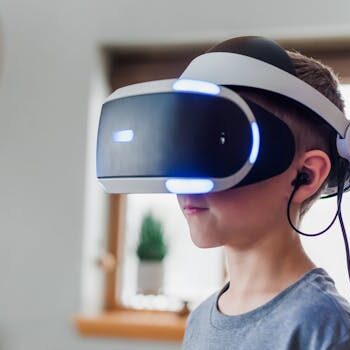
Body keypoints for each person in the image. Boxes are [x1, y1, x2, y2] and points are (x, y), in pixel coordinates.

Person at [177, 38, 350, 349]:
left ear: (305, 176)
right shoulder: (200, 320)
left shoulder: (325, 328)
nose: (186, 178)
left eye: (219, 147)